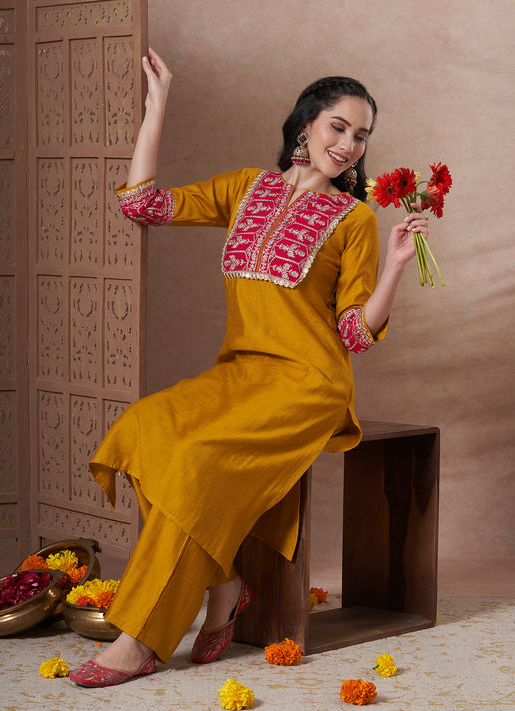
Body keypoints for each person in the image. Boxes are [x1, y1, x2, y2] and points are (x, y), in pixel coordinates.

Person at [69, 48, 428, 687]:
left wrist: (396, 266)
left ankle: (140, 637)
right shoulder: (246, 189)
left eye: (361, 135)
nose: (348, 145)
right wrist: (157, 107)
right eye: (338, 126)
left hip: (308, 385)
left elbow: (355, 333)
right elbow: (142, 205)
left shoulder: (355, 219)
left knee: (196, 459)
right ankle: (226, 584)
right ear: (306, 124)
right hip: (239, 373)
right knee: (146, 427)